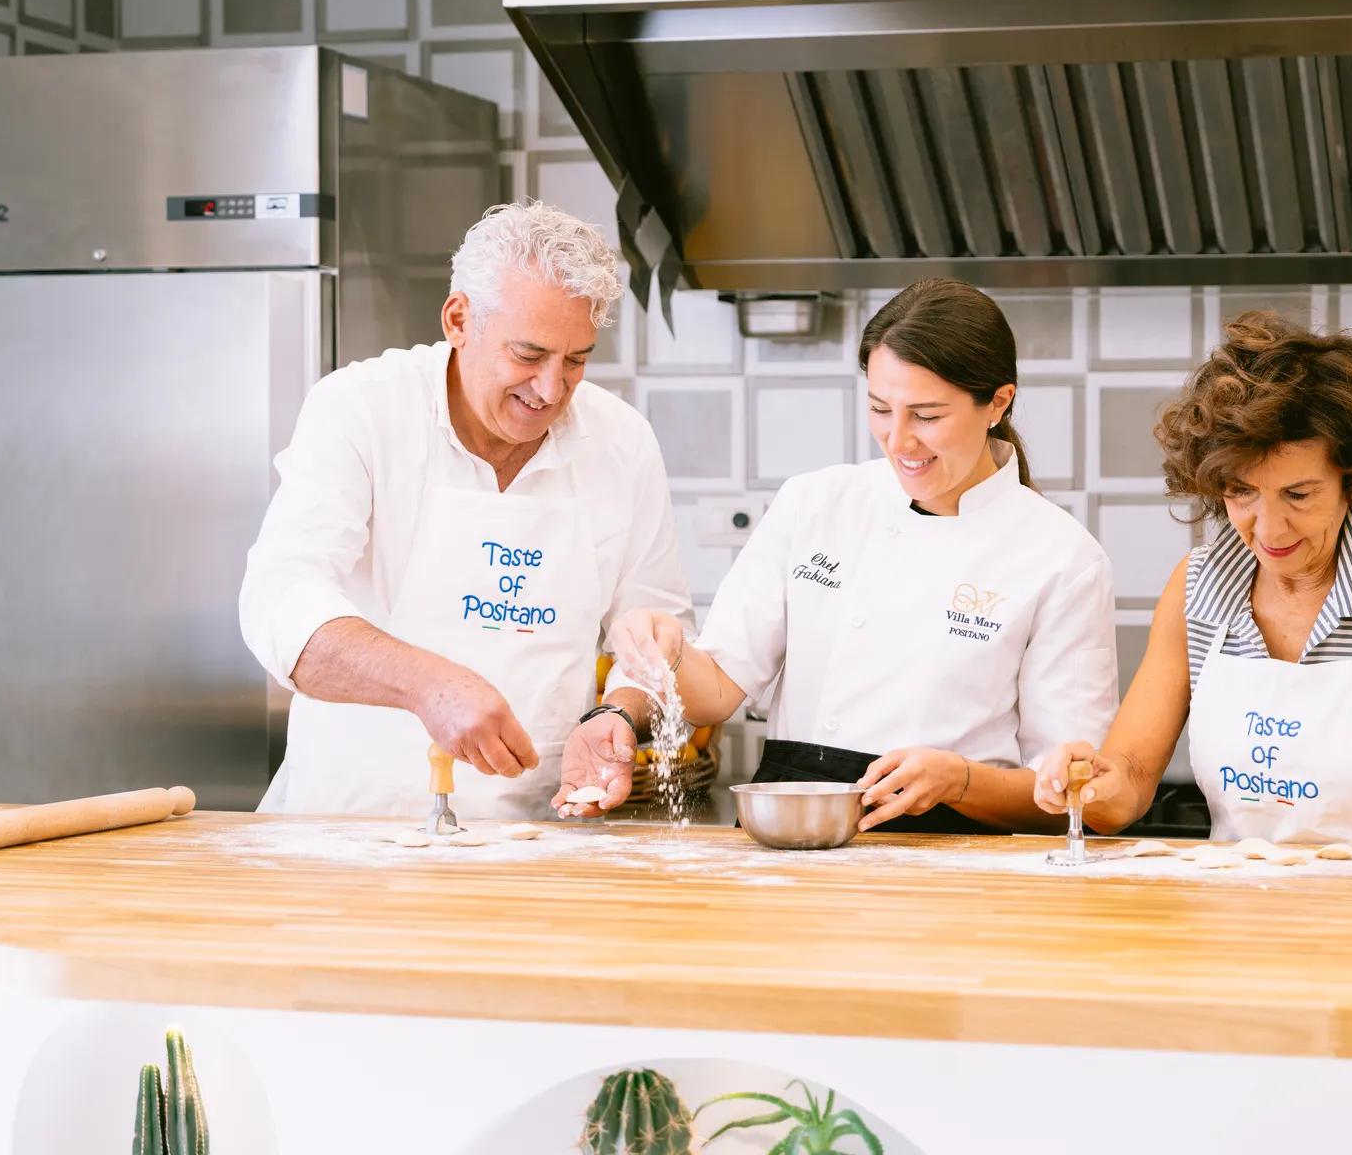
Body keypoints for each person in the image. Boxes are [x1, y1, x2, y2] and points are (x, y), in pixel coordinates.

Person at [585, 278, 1118, 833]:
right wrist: (669, 652)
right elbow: (715, 695)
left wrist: (959, 779)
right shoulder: (815, 503)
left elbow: (1071, 794)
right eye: (881, 409)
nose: (898, 441)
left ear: (998, 402)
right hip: (794, 830)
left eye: (927, 415)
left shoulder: (1062, 558)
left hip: (951, 849)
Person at [239, 202, 691, 819]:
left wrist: (619, 710)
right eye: (528, 355)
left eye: (576, 360)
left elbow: (656, 625)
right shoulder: (363, 409)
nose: (550, 390)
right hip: (346, 831)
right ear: (458, 320)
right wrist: (428, 685)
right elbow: (280, 601)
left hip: (536, 835)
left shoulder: (622, 443)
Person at [1032, 311, 1352, 848]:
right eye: (1241, 491)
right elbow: (1129, 779)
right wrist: (1088, 784)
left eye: (1298, 495)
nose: (1269, 529)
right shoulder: (1198, 585)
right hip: (1237, 899)